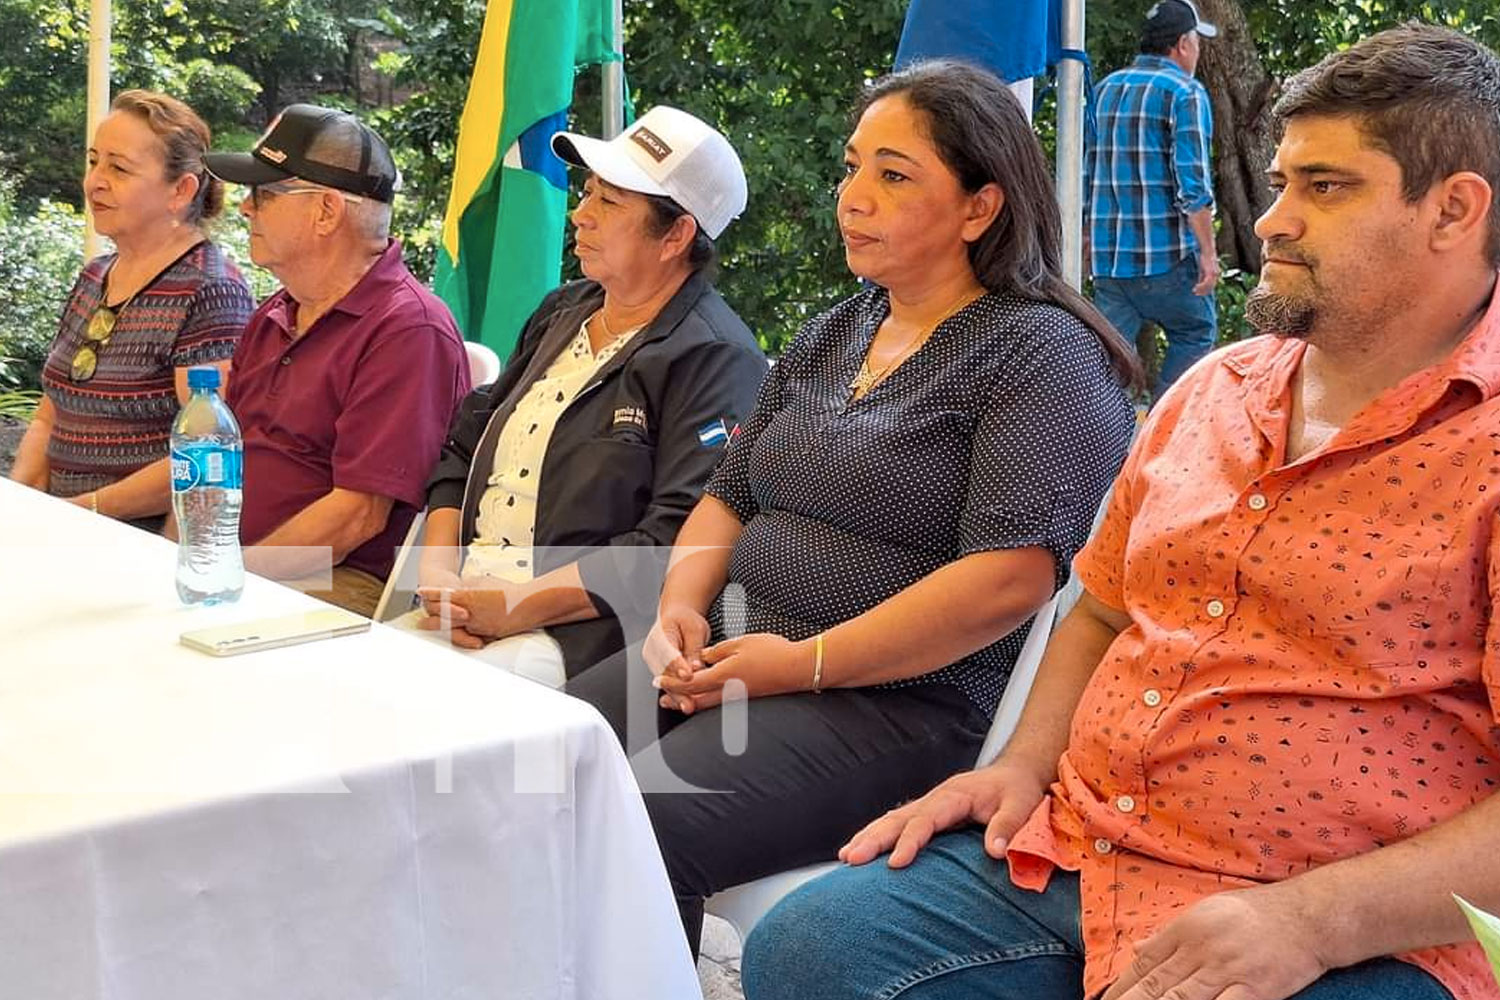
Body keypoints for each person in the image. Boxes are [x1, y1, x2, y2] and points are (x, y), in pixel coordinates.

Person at [743, 23, 1500, 1000]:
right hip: (1083, 847)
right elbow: (1098, 608)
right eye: (1281, 183)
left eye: (1326, 187)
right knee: (808, 952)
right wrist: (1021, 766)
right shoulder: (1213, 388)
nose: (1270, 222)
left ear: (1454, 210)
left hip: (1357, 918)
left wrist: (1314, 922)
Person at [569, 60, 1141, 957]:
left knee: (633, 821)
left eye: (894, 174)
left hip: (903, 703)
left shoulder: (1042, 356)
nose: (853, 197)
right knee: (542, 762)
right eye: (851, 166)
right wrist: (676, 607)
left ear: (980, 207)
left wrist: (797, 665)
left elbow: (1010, 579)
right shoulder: (840, 326)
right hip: (734, 651)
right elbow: (729, 493)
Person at [410, 105, 767, 685]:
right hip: (462, 607)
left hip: (582, 640)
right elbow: (463, 443)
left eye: (609, 202)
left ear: (675, 235)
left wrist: (514, 607)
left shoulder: (714, 356)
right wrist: (438, 574)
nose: (580, 215)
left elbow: (670, 543)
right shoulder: (564, 310)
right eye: (588, 193)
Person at [201, 105, 470, 616]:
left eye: (263, 193)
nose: (244, 208)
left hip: (337, 580)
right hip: (242, 564)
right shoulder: (276, 312)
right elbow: (220, 453)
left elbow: (356, 518)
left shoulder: (408, 329)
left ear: (326, 211)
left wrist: (226, 576)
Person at [10, 90, 253, 529]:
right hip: (63, 528)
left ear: (180, 190)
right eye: (93, 161)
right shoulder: (94, 276)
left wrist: (81, 514)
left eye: (118, 168)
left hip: (141, 541)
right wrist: (22, 506)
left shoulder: (212, 289)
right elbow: (50, 414)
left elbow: (205, 455)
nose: (95, 181)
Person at [1088, 0, 1220, 399]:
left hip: (1109, 261)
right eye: (1197, 41)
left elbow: (1085, 172)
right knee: (1195, 331)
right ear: (1182, 44)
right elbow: (1192, 185)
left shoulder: (1103, 89)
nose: (1197, 50)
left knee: (1109, 366)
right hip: (1166, 259)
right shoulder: (1185, 93)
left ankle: (1110, 439)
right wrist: (1208, 253)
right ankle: (1163, 425)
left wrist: (1082, 242)